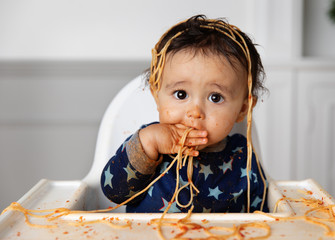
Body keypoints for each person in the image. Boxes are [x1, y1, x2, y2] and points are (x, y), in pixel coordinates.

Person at [101, 15, 268, 213]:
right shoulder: (150, 144)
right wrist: (148, 144)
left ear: (243, 109)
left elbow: (262, 217)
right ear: (157, 95)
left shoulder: (242, 158)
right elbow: (113, 192)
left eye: (215, 97)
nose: (195, 112)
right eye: (181, 94)